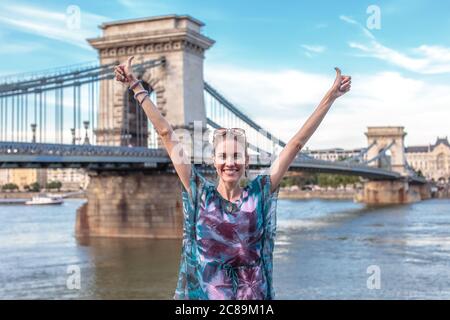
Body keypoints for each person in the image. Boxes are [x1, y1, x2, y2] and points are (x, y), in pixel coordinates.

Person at [114, 56, 351, 300]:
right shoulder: (198, 192)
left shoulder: (261, 192)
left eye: (237, 155)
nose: (230, 162)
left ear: (247, 161)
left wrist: (330, 98)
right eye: (223, 156)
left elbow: (296, 144)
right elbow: (166, 133)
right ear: (213, 161)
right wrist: (136, 86)